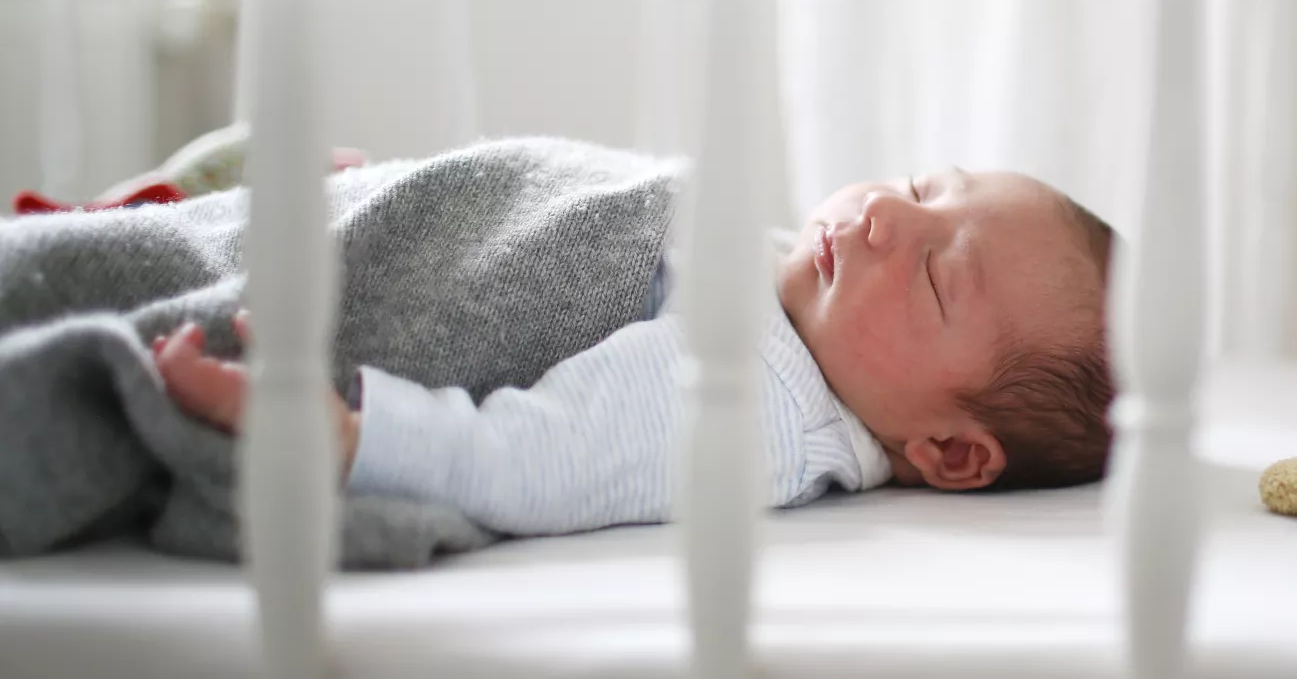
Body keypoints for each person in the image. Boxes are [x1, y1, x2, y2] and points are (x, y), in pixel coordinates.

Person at [153, 165, 1115, 537]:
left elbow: (533, 460)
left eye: (936, 276)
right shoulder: (797, 296)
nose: (886, 217)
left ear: (950, 452)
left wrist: (352, 436)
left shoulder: (762, 401)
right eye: (923, 183)